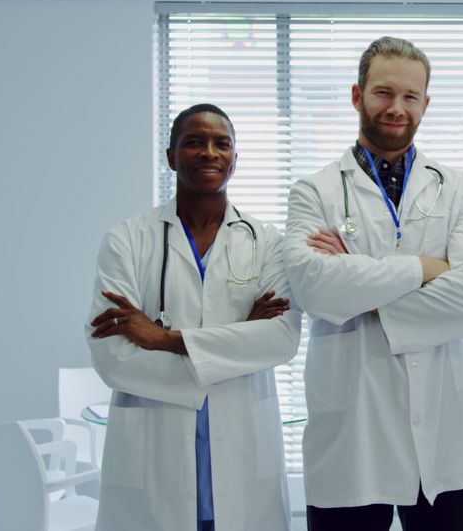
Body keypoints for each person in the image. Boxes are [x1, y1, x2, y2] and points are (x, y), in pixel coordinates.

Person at [283, 36, 463, 531]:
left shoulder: (459, 188)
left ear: (426, 104)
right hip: (353, 426)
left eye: (410, 97)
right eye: (383, 93)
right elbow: (315, 288)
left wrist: (361, 291)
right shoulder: (314, 190)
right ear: (356, 96)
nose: (396, 108)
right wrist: (427, 268)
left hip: (445, 426)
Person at [85, 104, 301, 531]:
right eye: (194, 142)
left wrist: (164, 339)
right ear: (171, 157)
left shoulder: (267, 243)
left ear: (235, 159)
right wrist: (238, 344)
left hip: (241, 457)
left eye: (222, 144)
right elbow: (113, 356)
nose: (209, 152)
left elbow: (280, 340)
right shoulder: (128, 240)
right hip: (155, 462)